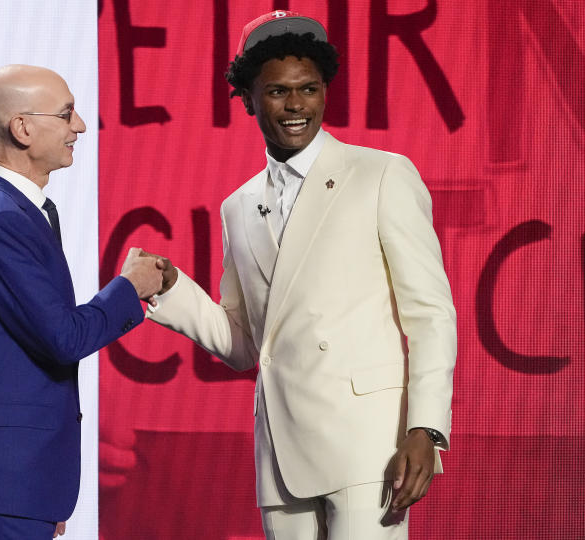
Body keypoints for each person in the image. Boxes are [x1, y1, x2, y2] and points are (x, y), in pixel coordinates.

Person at [146, 11, 457, 539]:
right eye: (276, 92)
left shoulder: (380, 174)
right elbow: (248, 344)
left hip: (369, 448)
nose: (296, 106)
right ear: (247, 99)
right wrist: (176, 293)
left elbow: (430, 315)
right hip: (280, 454)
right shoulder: (238, 207)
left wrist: (425, 429)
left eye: (308, 88)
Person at [0, 64, 164, 540]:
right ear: (23, 128)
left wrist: (45, 487)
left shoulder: (22, 213)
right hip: (1, 485)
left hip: (21, 485)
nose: (79, 126)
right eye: (66, 114)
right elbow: (62, 338)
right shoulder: (0, 220)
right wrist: (130, 287)